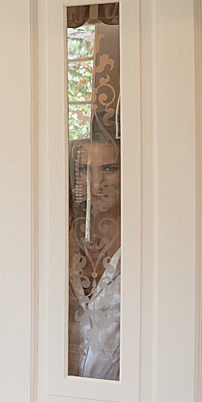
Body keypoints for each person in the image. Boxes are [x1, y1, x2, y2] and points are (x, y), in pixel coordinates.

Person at [68, 136, 122, 380]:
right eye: (84, 170)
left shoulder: (149, 241)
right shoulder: (59, 235)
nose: (96, 183)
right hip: (56, 394)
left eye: (109, 169)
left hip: (126, 399)